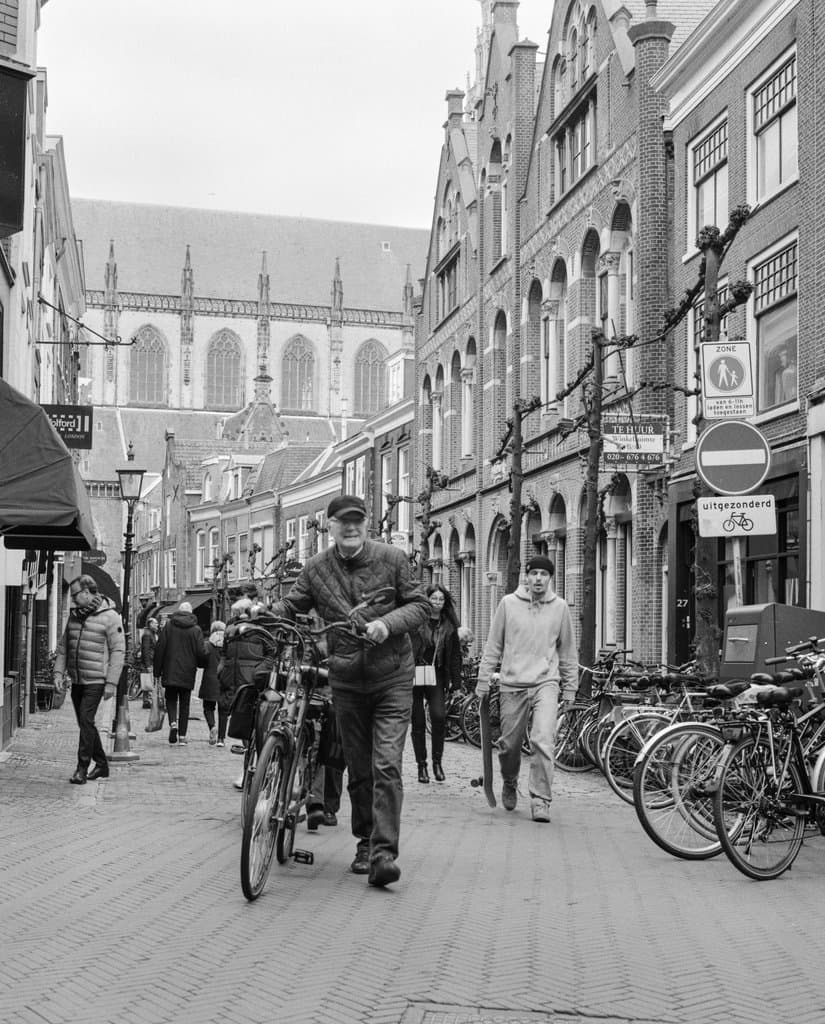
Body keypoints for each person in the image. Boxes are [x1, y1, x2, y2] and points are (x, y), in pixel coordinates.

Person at [269, 493, 429, 888]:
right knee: (359, 769)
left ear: (367, 522)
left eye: (358, 520)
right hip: (346, 682)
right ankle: (364, 841)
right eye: (344, 521)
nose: (352, 527)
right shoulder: (316, 569)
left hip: (392, 677)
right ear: (332, 527)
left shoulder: (392, 559)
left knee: (386, 765)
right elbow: (292, 606)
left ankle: (383, 854)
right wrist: (259, 613)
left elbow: (421, 605)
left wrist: (387, 624)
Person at [475, 554, 578, 823]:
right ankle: (510, 781)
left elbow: (567, 651)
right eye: (534, 574)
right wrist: (483, 680)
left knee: (543, 740)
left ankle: (540, 799)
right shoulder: (508, 604)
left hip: (546, 682)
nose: (539, 579)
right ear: (527, 577)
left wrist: (570, 689)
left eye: (544, 575)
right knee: (508, 745)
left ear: (550, 578)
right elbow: (493, 644)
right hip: (512, 683)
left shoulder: (560, 608)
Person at [53, 574, 125, 784]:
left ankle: (81, 769)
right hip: (77, 679)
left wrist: (111, 682)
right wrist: (59, 672)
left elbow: (118, 650)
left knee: (86, 720)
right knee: (86, 723)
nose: (73, 599)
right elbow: (63, 647)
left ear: (87, 592)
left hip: (96, 679)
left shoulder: (111, 617)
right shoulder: (75, 615)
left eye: (75, 595)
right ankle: (102, 765)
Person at [410, 583, 462, 784]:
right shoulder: (416, 622)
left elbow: (455, 656)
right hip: (415, 673)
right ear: (427, 599)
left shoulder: (449, 626)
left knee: (439, 716)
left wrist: (456, 684)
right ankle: (421, 765)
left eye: (441, 599)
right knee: (418, 721)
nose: (437, 602)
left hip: (437, 674)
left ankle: (437, 762)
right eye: (434, 598)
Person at [153, 600, 208, 745]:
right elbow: (200, 652)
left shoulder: (169, 626)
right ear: (191, 613)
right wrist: (202, 664)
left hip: (170, 670)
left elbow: (160, 648)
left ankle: (173, 723)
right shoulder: (196, 630)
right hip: (187, 671)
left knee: (171, 699)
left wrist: (157, 671)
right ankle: (182, 736)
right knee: (185, 703)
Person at [198, 620, 226, 745]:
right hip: (224, 679)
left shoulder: (208, 644)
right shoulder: (228, 644)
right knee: (223, 710)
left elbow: (202, 660)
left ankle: (212, 726)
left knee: (208, 707)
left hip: (210, 678)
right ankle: (221, 739)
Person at [139, 617, 159, 709]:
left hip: (151, 661)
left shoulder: (152, 634)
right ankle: (147, 701)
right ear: (150, 624)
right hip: (149, 662)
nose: (157, 625)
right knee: (149, 681)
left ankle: (146, 701)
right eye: (155, 623)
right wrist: (148, 665)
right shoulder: (147, 635)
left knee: (148, 681)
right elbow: (145, 650)